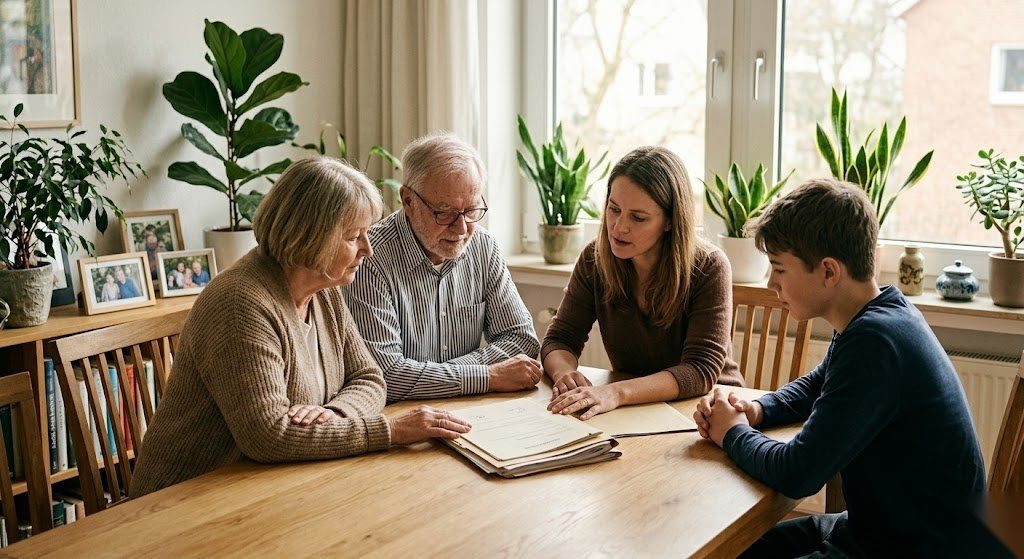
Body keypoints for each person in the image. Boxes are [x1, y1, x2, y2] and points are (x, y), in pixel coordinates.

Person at [694, 179, 1002, 558]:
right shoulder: (879, 315)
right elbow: (815, 386)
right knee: (734, 551)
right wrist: (757, 409)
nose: (771, 283)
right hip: (883, 527)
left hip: (919, 547)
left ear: (828, 271)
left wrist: (732, 432)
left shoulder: (876, 342)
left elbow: (798, 473)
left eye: (778, 268)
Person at [130, 157, 471, 498]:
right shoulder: (240, 303)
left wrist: (334, 413)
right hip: (188, 498)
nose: (368, 249)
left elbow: (370, 378)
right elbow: (268, 436)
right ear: (311, 237)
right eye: (354, 237)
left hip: (272, 484)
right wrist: (390, 430)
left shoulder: (325, 289)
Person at [542, 146, 743, 420]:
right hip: (635, 409)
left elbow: (699, 370)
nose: (619, 227)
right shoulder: (594, 258)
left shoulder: (709, 266)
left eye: (638, 217)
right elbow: (560, 338)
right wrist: (564, 373)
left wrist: (615, 392)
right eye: (614, 209)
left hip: (709, 409)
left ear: (671, 221)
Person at [346, 133, 541, 403]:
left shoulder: (483, 247)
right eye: (445, 212)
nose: (461, 229)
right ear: (409, 201)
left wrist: (441, 378)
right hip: (401, 416)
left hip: (472, 408)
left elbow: (522, 339)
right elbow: (387, 375)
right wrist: (487, 376)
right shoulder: (369, 258)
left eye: (472, 210)